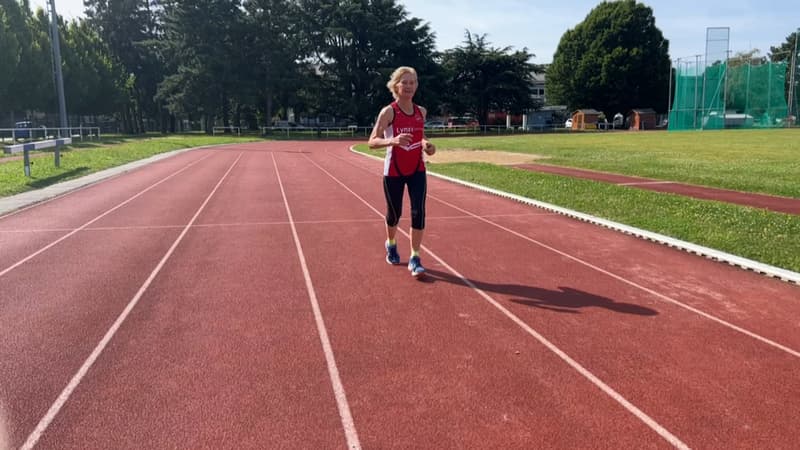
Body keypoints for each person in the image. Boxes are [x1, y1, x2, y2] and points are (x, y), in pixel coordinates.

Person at [368, 66, 436, 277]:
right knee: (394, 213)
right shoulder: (388, 112)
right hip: (394, 170)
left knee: (419, 212)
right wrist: (393, 141)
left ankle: (415, 257)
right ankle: (391, 242)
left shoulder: (421, 112)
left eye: (412, 82)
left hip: (417, 168)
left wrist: (427, 145)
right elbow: (372, 142)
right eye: (404, 82)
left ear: (416, 85)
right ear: (396, 86)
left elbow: (419, 136)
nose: (408, 86)